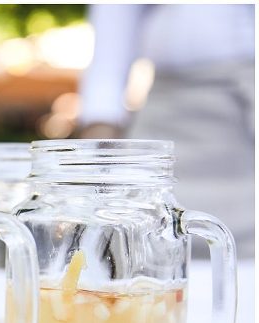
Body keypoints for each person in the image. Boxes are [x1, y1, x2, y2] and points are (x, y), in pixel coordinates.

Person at [79, 5, 255, 258]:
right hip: (166, 111)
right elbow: (108, 58)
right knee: (149, 248)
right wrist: (93, 177)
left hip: (245, 110)